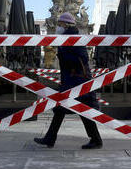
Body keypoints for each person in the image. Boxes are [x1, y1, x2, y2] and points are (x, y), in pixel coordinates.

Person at [34, 12, 103, 149]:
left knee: (72, 109)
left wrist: (62, 54)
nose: (58, 27)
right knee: (68, 109)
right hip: (74, 80)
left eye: (60, 24)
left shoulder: (74, 38)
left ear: (66, 25)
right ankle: (51, 138)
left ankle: (95, 140)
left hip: (77, 81)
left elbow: (81, 59)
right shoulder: (66, 38)